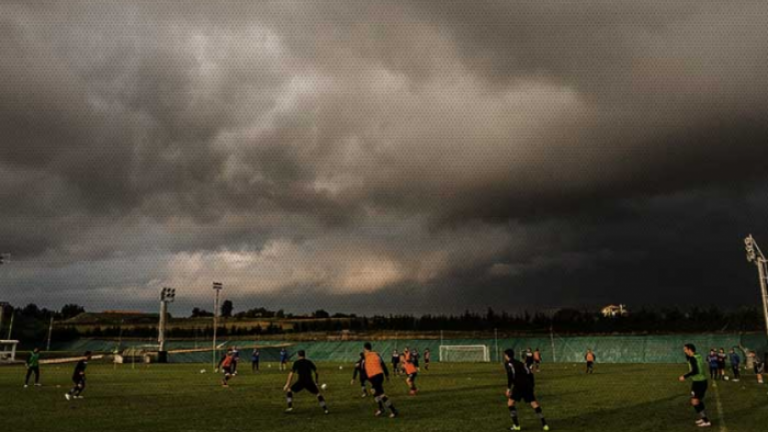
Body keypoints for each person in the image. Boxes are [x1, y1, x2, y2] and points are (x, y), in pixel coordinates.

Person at [504, 349, 549, 431]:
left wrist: (508, 388)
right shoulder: (520, 363)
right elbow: (529, 373)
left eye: (505, 355)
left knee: (510, 403)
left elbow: (510, 376)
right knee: (534, 404)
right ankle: (545, 425)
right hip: (527, 385)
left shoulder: (508, 364)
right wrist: (531, 385)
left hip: (518, 386)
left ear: (507, 355)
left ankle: (516, 425)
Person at [283, 350, 329, 415]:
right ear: (305, 355)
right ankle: (325, 409)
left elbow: (291, 374)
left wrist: (287, 384)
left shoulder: (296, 363)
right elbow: (316, 372)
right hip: (309, 381)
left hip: (301, 381)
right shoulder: (309, 362)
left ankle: (290, 407)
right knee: (318, 394)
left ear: (298, 355)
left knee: (289, 390)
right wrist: (316, 381)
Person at [679, 343, 711, 428]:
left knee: (694, 402)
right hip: (699, 381)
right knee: (697, 401)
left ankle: (706, 421)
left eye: (685, 349)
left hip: (699, 383)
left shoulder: (693, 358)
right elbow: (691, 360)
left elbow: (695, 371)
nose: (684, 351)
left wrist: (684, 376)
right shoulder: (698, 355)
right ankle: (702, 418)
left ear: (689, 350)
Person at [363, 342, 398, 418]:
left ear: (365, 349)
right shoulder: (376, 354)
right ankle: (381, 408)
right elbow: (383, 364)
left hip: (376, 376)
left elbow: (365, 368)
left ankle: (393, 410)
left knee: (381, 394)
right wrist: (387, 374)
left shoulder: (368, 355)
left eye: (364, 349)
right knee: (373, 391)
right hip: (377, 376)